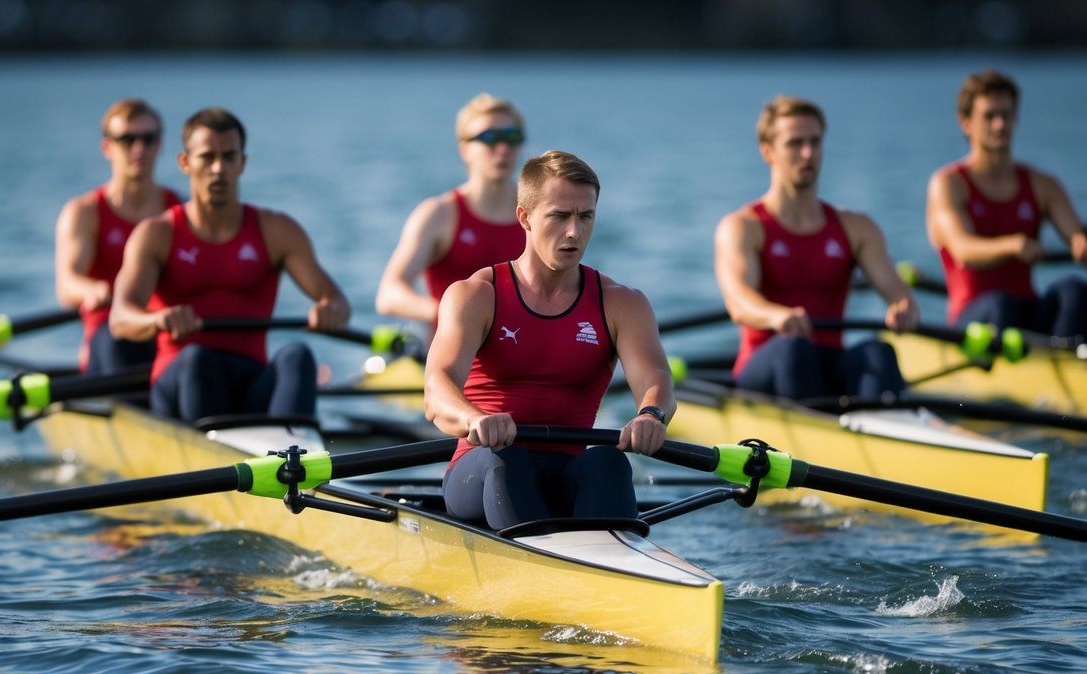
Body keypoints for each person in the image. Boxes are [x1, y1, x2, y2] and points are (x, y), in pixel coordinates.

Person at [423, 150, 676, 530]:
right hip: (482, 469)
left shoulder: (622, 303)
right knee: (508, 459)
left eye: (585, 216)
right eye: (559, 216)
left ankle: (611, 568)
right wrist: (473, 418)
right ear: (524, 217)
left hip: (567, 471)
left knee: (607, 461)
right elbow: (436, 391)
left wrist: (650, 415)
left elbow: (656, 379)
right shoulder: (476, 295)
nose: (574, 231)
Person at [109, 107, 351, 423]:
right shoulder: (157, 234)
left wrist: (330, 309)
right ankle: (212, 461)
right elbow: (120, 318)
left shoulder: (277, 231)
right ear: (185, 163)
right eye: (207, 157)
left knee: (297, 355)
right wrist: (158, 319)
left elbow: (340, 303)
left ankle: (293, 457)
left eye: (229, 157)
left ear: (243, 163)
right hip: (181, 380)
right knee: (197, 359)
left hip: (249, 381)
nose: (218, 168)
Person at [714, 95, 920, 402]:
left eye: (815, 142)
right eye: (795, 143)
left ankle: (893, 432)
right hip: (768, 366)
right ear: (768, 151)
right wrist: (776, 316)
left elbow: (896, 289)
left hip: (828, 363)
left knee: (879, 352)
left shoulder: (856, 227)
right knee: (794, 350)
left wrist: (904, 306)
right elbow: (739, 302)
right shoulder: (743, 226)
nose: (808, 153)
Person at [926, 68, 1087, 339]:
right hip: (976, 314)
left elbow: (1076, 234)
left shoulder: (1042, 184)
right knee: (1003, 305)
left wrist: (1079, 241)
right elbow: (962, 249)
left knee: (1073, 290)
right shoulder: (948, 184)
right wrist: (1013, 245)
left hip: (1027, 311)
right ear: (966, 123)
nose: (1000, 124)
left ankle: (1067, 364)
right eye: (989, 116)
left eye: (1006, 115)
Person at [375, 93, 527, 343]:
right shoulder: (438, 214)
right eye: (490, 138)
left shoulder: (539, 215)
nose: (503, 148)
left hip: (521, 355)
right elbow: (389, 295)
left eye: (512, 138)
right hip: (451, 358)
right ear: (464, 149)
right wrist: (457, 312)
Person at [55, 99, 182, 374]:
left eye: (148, 139)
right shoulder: (85, 212)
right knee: (119, 342)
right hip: (110, 331)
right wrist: (94, 290)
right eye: (127, 139)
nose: (139, 149)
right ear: (107, 148)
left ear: (160, 145)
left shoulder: (178, 210)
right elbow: (67, 286)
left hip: (162, 330)